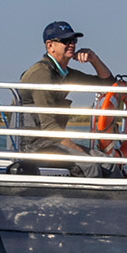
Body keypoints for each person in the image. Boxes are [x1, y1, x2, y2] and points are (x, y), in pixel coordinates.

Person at [17, 20, 114, 173]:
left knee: (108, 163)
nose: (72, 44)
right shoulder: (41, 74)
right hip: (35, 147)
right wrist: (80, 153)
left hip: (54, 143)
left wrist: (94, 59)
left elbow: (107, 83)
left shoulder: (65, 73)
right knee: (90, 166)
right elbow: (50, 128)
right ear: (50, 46)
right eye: (65, 41)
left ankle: (120, 196)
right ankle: (90, 197)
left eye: (73, 40)